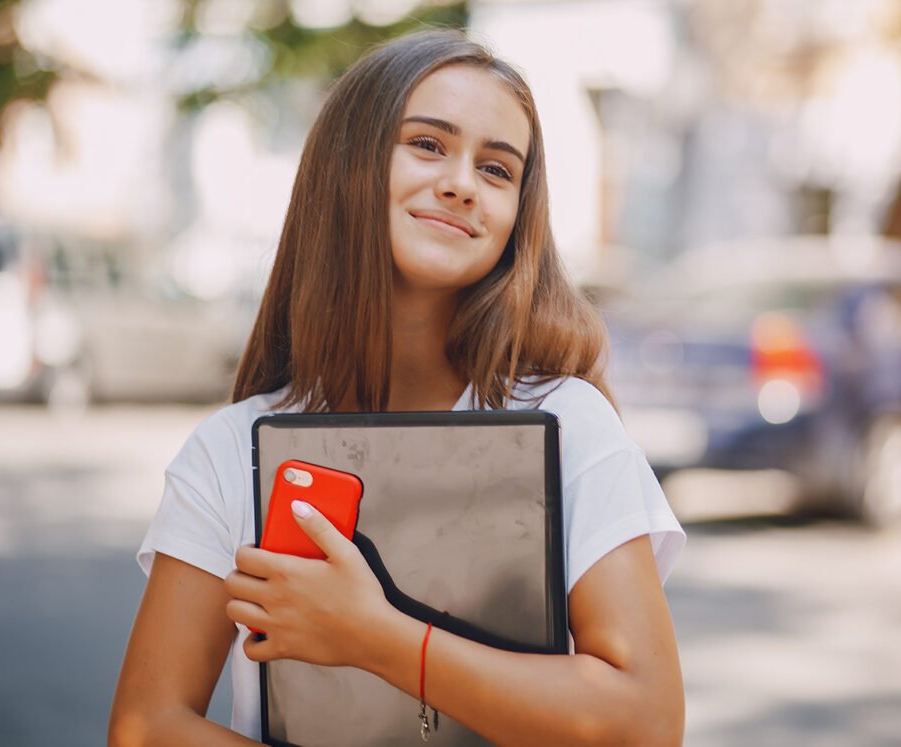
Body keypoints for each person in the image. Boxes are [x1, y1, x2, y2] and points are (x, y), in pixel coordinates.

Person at [109, 29, 686, 746]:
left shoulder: (568, 425)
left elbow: (649, 722)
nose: (462, 183)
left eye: (498, 170)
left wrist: (376, 636)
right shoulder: (230, 452)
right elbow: (147, 725)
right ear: (346, 163)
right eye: (428, 144)